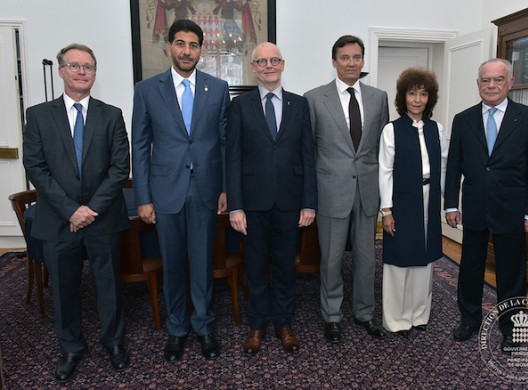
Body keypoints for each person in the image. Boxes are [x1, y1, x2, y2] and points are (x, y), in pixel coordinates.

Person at [22, 43, 130, 382]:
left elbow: (119, 167)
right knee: (64, 289)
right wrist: (71, 210)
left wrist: (91, 209)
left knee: (109, 286)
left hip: (103, 218)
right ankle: (70, 347)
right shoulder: (39, 115)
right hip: (58, 219)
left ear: (95, 74)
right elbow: (36, 167)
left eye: (88, 67)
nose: (82, 72)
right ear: (61, 71)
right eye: (74, 66)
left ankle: (114, 342)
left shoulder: (111, 114)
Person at [131, 19, 230, 361]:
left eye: (193, 45)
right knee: (172, 263)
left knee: (202, 262)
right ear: (169, 47)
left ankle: (203, 326)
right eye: (180, 44)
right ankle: (176, 328)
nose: (187, 51)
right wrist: (142, 197)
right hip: (165, 191)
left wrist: (226, 189)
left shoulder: (218, 88)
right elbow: (140, 146)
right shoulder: (146, 90)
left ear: (201, 49)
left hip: (205, 190)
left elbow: (224, 142)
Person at [444, 58, 528, 352]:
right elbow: (453, 167)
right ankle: (469, 319)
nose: (491, 86)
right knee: (470, 267)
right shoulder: (463, 119)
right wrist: (451, 204)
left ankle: (511, 329)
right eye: (485, 80)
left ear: (510, 83)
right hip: (475, 207)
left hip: (513, 210)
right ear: (478, 84)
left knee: (511, 272)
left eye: (498, 80)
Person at [226, 42, 317, 355]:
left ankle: (283, 323)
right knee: (254, 267)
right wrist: (235, 206)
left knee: (284, 266)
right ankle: (256, 325)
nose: (268, 66)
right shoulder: (239, 106)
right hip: (251, 205)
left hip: (290, 203)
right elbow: (233, 158)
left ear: (282, 64)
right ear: (253, 67)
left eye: (273, 60)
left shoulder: (299, 105)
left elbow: (308, 156)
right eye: (261, 61)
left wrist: (309, 202)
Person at [304, 35, 389, 343]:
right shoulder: (314, 98)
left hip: (367, 191)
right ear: (334, 61)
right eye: (345, 57)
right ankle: (332, 316)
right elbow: (309, 150)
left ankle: (365, 313)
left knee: (367, 258)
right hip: (331, 191)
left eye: (356, 57)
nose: (351, 63)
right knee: (331, 258)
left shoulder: (379, 98)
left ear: (363, 61)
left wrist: (386, 196)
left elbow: (383, 148)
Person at [378, 68, 448, 336]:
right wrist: (387, 210)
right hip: (402, 200)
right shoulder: (391, 130)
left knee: (424, 259)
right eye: (412, 93)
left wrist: (445, 203)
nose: (417, 99)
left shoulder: (436, 128)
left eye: (423, 93)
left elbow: (441, 165)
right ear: (403, 97)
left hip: (429, 199)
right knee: (399, 261)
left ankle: (419, 315)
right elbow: (384, 171)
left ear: (429, 97)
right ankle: (396, 319)